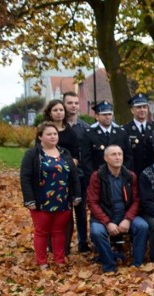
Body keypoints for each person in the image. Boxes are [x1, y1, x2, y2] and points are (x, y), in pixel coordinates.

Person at [20, 122, 81, 269]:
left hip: (63, 199)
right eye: (49, 134)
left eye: (55, 134)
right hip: (41, 201)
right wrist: (29, 199)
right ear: (40, 137)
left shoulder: (64, 153)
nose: (53, 136)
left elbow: (73, 176)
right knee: (41, 232)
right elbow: (25, 178)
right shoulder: (32, 154)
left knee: (59, 231)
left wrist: (76, 195)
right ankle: (42, 262)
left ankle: (59, 260)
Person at [87, 145, 149, 272]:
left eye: (120, 154)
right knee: (96, 232)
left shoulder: (130, 176)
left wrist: (128, 219)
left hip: (125, 215)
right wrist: (107, 222)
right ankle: (109, 266)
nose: (117, 157)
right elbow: (92, 202)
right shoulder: (97, 176)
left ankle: (137, 264)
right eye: (113, 154)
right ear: (105, 158)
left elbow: (137, 200)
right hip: (104, 216)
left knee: (143, 226)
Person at [42, 100, 80, 254]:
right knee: (49, 214)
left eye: (61, 110)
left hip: (66, 177)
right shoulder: (44, 130)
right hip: (48, 177)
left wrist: (68, 166)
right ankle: (51, 246)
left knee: (66, 215)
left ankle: (64, 248)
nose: (59, 112)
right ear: (50, 112)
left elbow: (75, 154)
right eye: (55, 110)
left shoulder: (70, 131)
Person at [63, 91, 90, 252]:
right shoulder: (57, 128)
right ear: (64, 104)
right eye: (69, 103)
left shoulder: (85, 128)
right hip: (61, 176)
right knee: (64, 213)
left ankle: (83, 242)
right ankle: (64, 244)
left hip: (81, 176)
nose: (73, 106)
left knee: (81, 211)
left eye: (76, 103)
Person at [81, 100, 133, 182]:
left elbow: (128, 157)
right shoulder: (89, 134)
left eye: (109, 114)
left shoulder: (121, 133)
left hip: (119, 177)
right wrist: (94, 176)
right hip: (98, 178)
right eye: (104, 114)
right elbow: (86, 160)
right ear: (97, 116)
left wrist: (123, 173)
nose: (107, 117)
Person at [122, 93, 154, 179]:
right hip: (132, 174)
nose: (142, 110)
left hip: (151, 174)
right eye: (139, 107)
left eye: (144, 107)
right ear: (132, 110)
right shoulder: (125, 130)